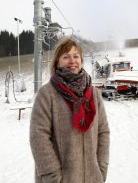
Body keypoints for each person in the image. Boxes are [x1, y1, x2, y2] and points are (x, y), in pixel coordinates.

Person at [30, 38, 110, 183]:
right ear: (57, 62)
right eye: (66, 57)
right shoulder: (47, 94)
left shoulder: (94, 94)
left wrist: (102, 168)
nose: (72, 61)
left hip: (93, 178)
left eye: (76, 56)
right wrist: (53, 176)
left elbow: (103, 132)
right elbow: (39, 137)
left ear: (81, 60)